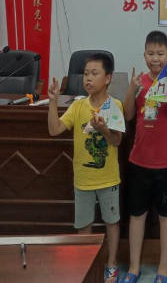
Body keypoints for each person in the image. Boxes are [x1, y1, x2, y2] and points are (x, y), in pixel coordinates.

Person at [48, 53, 122, 283]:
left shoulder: (115, 106)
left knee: (112, 222)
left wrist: (103, 130)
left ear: (107, 78)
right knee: (84, 225)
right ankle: (86, 266)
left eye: (94, 73)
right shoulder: (78, 106)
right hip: (83, 180)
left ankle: (112, 264)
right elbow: (54, 130)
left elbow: (116, 141)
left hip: (108, 178)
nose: (88, 78)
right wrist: (53, 102)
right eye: (86, 73)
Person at [121, 31, 167, 283]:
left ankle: (164, 268)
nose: (155, 58)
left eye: (160, 54)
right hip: (139, 162)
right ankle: (134, 267)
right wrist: (131, 90)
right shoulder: (140, 83)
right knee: (136, 215)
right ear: (144, 55)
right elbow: (127, 116)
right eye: (151, 53)